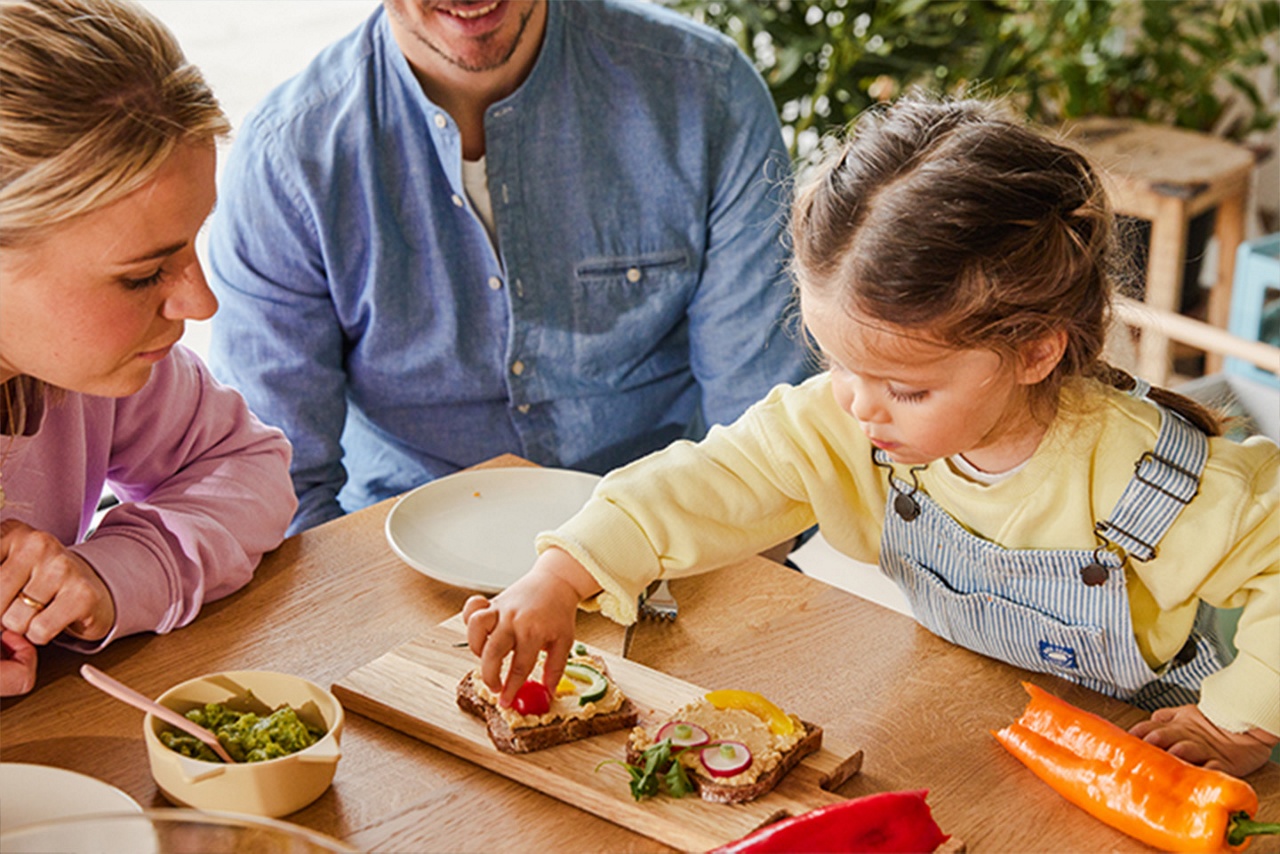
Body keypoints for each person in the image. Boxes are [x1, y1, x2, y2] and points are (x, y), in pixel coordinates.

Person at [462, 96, 1279, 777]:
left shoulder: (1143, 475)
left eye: (907, 388)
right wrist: (563, 572)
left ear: (1035, 352)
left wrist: (1237, 724)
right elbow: (713, 478)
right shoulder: (850, 419)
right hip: (975, 724)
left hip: (1140, 762)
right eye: (837, 364)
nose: (857, 407)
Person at [205, 0, 813, 536]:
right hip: (396, 573)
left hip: (671, 556)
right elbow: (280, 493)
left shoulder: (707, 95)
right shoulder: (288, 161)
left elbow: (767, 452)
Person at [0, 0, 297, 697]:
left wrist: (106, 576)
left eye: (193, 243)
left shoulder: (89, 374)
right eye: (143, 275)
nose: (202, 303)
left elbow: (245, 466)